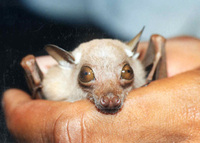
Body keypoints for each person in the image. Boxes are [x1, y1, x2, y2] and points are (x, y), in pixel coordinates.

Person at [2, 36, 200, 142]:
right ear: (68, 63)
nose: (111, 96)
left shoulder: (141, 72)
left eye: (125, 75)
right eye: (87, 76)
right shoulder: (58, 85)